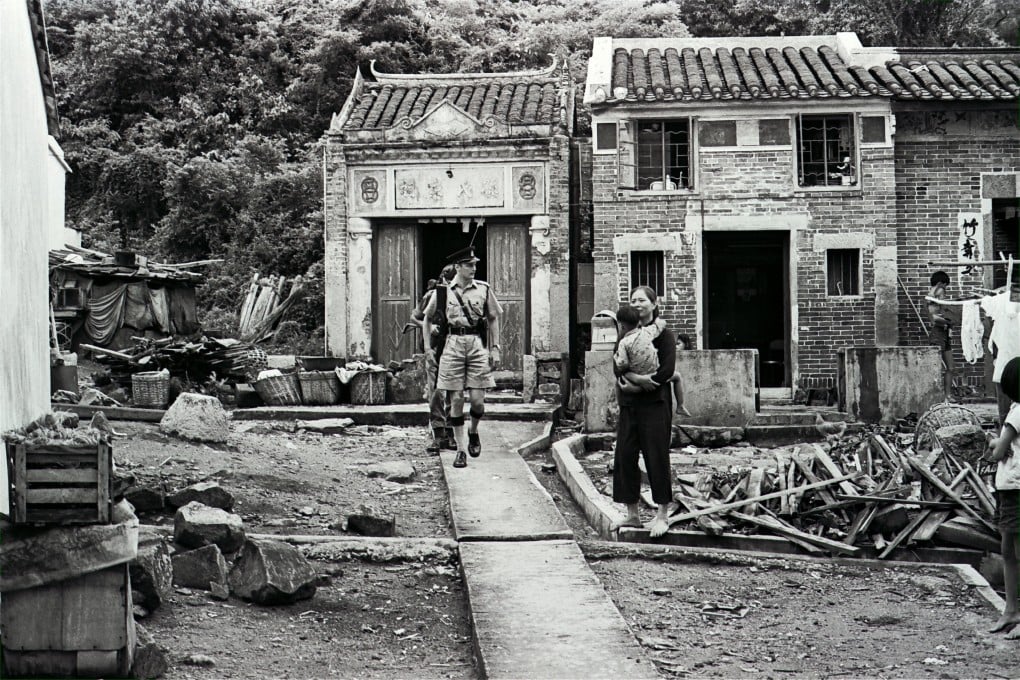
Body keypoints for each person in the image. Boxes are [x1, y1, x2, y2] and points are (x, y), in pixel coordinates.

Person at [423, 246, 503, 469]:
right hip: (452, 345)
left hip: (476, 345)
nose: (474, 268)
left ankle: (473, 431)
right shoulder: (442, 292)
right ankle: (460, 450)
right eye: (469, 265)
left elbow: (494, 318)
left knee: (477, 401)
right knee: (456, 399)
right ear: (458, 267)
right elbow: (427, 319)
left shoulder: (483, 289)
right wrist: (429, 348)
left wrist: (495, 347)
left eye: (475, 264)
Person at [611, 286, 676, 538]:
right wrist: (637, 380)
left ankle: (661, 515)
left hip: (656, 403)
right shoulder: (625, 333)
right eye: (633, 300)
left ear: (653, 303)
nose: (637, 304)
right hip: (631, 403)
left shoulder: (664, 336)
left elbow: (667, 370)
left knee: (656, 455)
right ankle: (633, 514)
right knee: (625, 455)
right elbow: (617, 366)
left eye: (642, 300)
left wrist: (642, 384)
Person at [983, 356, 1020, 637]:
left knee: (1015, 551)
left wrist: (993, 442)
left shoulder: (1016, 413)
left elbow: (997, 452)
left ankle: (1013, 610)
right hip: (1011, 489)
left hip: (1015, 490)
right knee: (1008, 549)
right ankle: (1010, 610)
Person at [409, 265, 457, 454]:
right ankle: (438, 434)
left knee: (454, 391)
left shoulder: (463, 295)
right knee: (436, 391)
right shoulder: (432, 296)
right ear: (444, 280)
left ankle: (452, 432)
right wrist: (429, 328)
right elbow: (415, 317)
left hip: (454, 348)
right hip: (435, 347)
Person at [927, 271, 958, 401]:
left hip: (945, 333)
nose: (944, 293)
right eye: (944, 287)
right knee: (936, 368)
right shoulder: (931, 298)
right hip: (937, 334)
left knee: (950, 367)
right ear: (940, 284)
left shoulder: (937, 297)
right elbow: (934, 319)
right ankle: (936, 396)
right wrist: (950, 321)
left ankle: (948, 396)